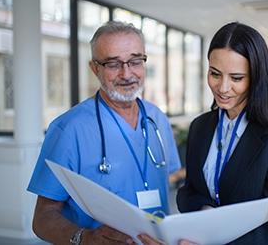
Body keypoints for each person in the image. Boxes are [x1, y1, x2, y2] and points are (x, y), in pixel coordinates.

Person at [27, 21, 181, 245]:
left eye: (135, 61)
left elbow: (172, 176)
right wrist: (85, 238)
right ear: (94, 68)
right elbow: (42, 218)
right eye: (112, 64)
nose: (126, 73)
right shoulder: (69, 129)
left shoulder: (157, 118)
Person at [177, 22, 268, 245]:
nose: (223, 88)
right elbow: (189, 192)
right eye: (215, 74)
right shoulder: (200, 127)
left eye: (236, 78)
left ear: (257, 78)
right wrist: (206, 215)